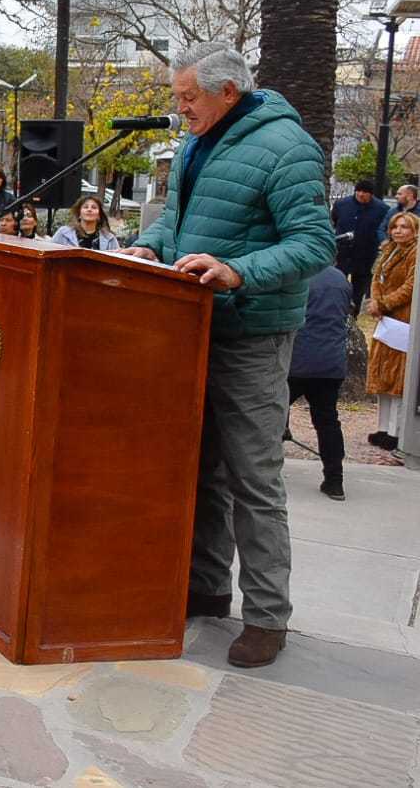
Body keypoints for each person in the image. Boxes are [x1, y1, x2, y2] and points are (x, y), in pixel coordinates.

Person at [123, 42, 335, 669]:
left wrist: (238, 271)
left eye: (189, 97)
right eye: (177, 96)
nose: (180, 107)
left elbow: (314, 243)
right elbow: (176, 222)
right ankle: (207, 588)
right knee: (202, 469)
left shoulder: (287, 147)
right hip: (192, 329)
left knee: (253, 480)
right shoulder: (195, 142)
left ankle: (268, 618)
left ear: (228, 93)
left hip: (252, 337)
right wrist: (149, 246)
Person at [285, 264, 352, 500]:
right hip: (330, 362)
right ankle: (335, 480)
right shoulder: (341, 279)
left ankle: (264, 472)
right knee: (327, 421)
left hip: (296, 359)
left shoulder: (296, 275)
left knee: (271, 414)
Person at [365, 210, 417, 453]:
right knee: (382, 375)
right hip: (385, 319)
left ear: (414, 230)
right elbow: (376, 278)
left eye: (404, 227)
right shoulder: (389, 250)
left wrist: (384, 303)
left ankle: (396, 431)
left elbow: (410, 286)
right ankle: (382, 427)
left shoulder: (415, 253)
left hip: (403, 318)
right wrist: (376, 302)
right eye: (395, 226)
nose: (398, 231)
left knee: (398, 377)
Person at [332, 179, 385, 313]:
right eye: (358, 191)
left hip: (365, 255)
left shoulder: (382, 209)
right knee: (337, 283)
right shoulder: (341, 204)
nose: (361, 194)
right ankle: (336, 311)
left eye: (365, 192)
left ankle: (353, 314)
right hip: (343, 253)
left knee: (359, 287)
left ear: (371, 194)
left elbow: (383, 229)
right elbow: (335, 221)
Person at [51, 195, 120, 251]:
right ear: (79, 214)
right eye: (85, 207)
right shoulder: (64, 233)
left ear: (99, 215)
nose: (89, 209)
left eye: (94, 207)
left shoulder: (110, 238)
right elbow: (50, 255)